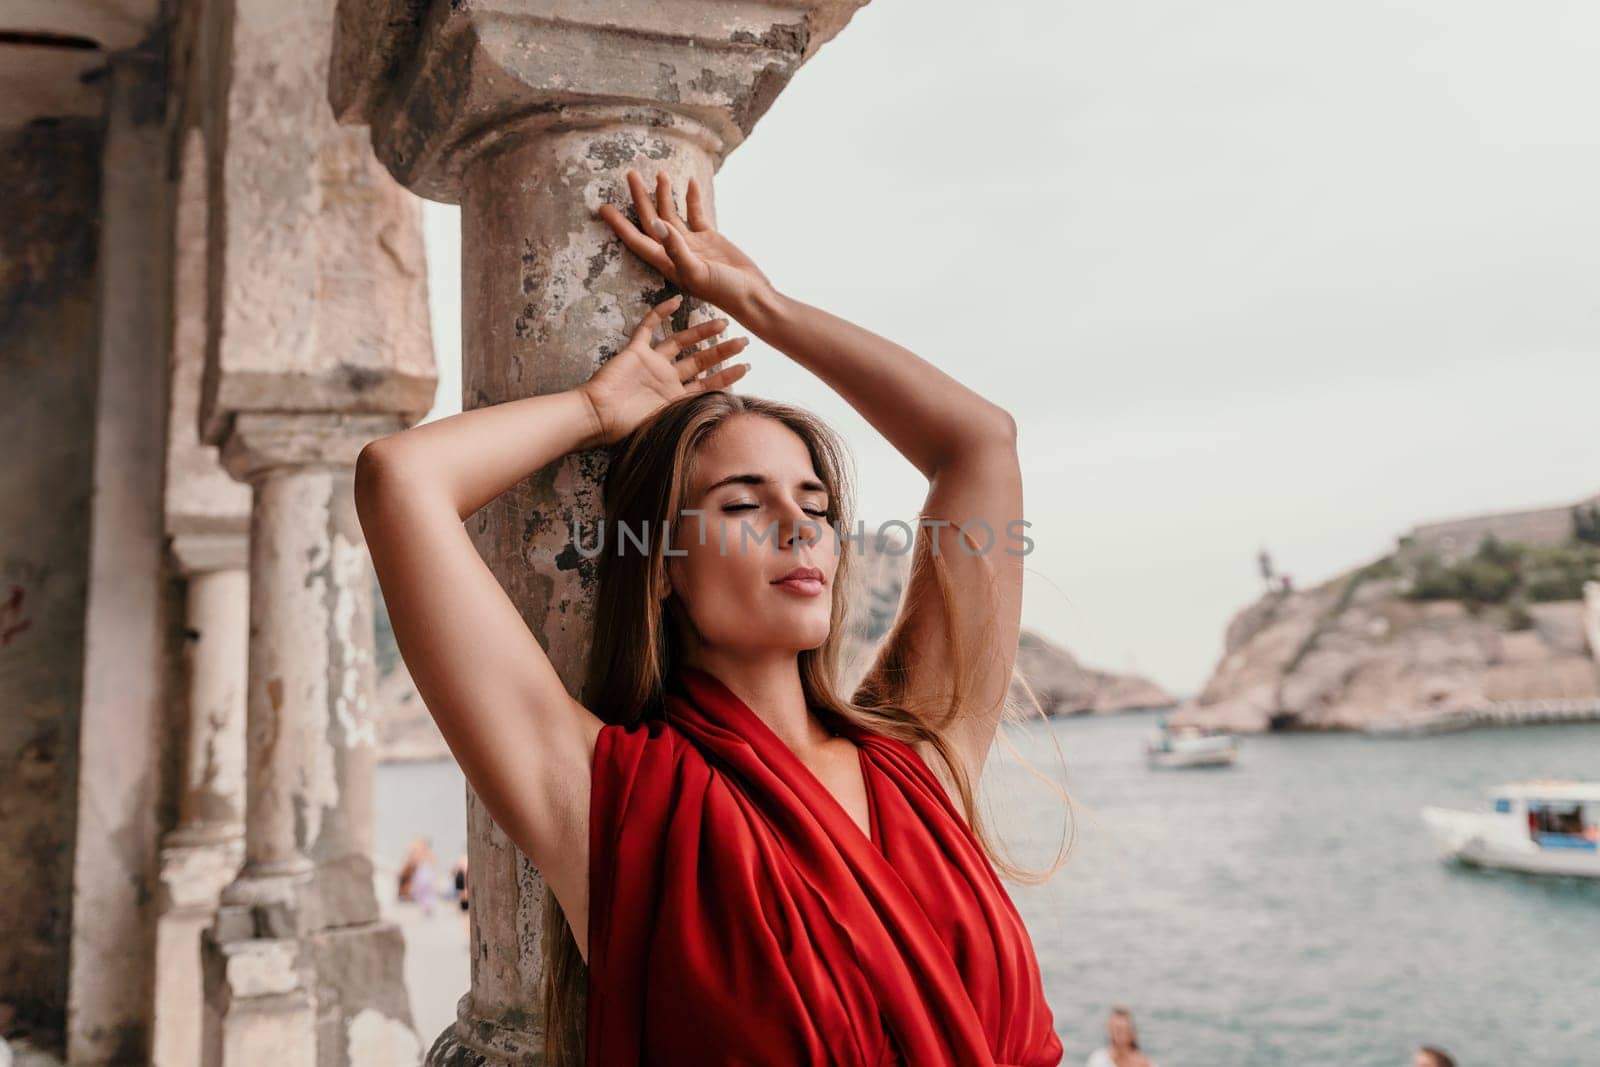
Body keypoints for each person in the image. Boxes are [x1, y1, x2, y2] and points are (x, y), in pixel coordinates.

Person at [355, 167, 1066, 1067]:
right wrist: (595, 409)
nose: (798, 524)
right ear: (661, 570)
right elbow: (400, 480)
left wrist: (762, 304)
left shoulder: (924, 754)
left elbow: (979, 444)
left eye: (815, 501)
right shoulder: (614, 802)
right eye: (741, 504)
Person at [1086, 1006, 1156, 1067]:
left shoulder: (1145, 1063)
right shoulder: (1099, 1060)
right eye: (1115, 1030)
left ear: (1131, 1032)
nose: (1118, 1036)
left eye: (1123, 1030)